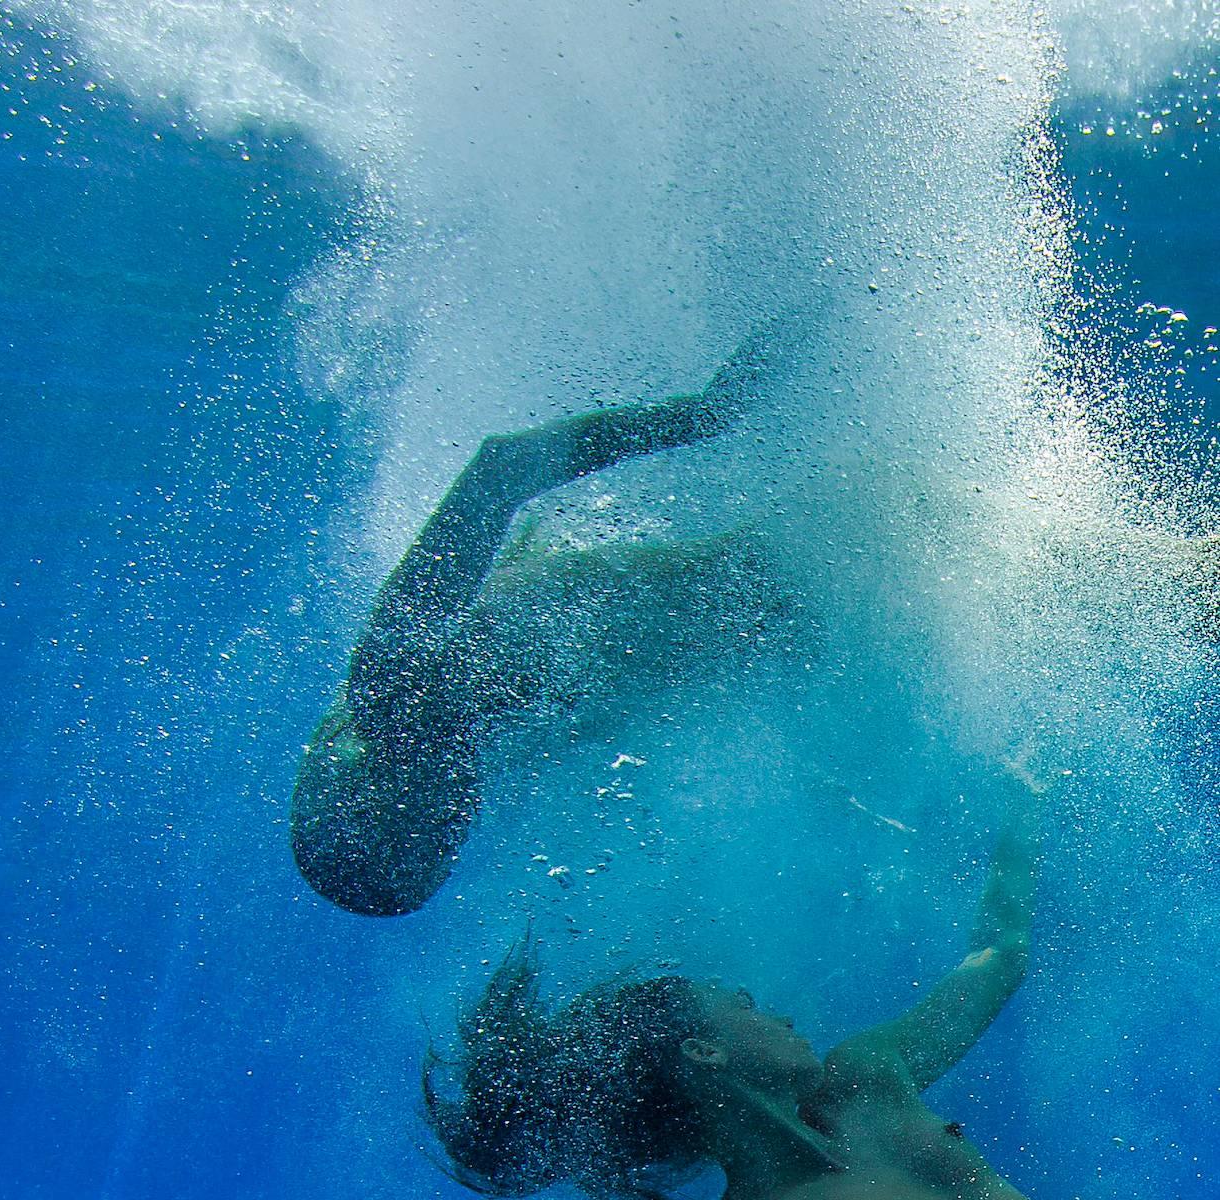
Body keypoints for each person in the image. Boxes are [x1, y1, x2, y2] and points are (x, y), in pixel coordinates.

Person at [292, 333, 789, 917]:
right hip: (775, 617)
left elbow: (501, 470)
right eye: (451, 846)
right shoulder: (467, 742)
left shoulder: (392, 684)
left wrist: (704, 415)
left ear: (380, 800)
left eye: (440, 835)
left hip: (769, 577)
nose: (464, 822)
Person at [423, 769, 1045, 1200]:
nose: (773, 1013)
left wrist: (1023, 812)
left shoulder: (868, 1081)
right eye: (742, 1006)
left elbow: (999, 957)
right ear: (704, 1051)